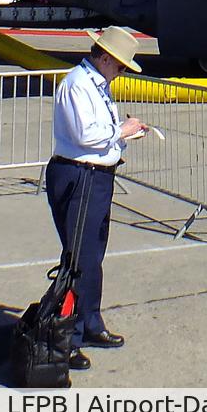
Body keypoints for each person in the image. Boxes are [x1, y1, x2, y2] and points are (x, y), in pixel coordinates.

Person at [45, 25, 148, 369]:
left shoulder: (95, 84)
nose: (119, 74)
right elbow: (85, 134)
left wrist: (121, 137)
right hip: (79, 176)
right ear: (104, 58)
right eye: (119, 66)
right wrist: (123, 130)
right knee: (79, 259)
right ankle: (67, 337)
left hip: (96, 176)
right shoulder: (77, 84)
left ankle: (90, 323)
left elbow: (97, 134)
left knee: (93, 254)